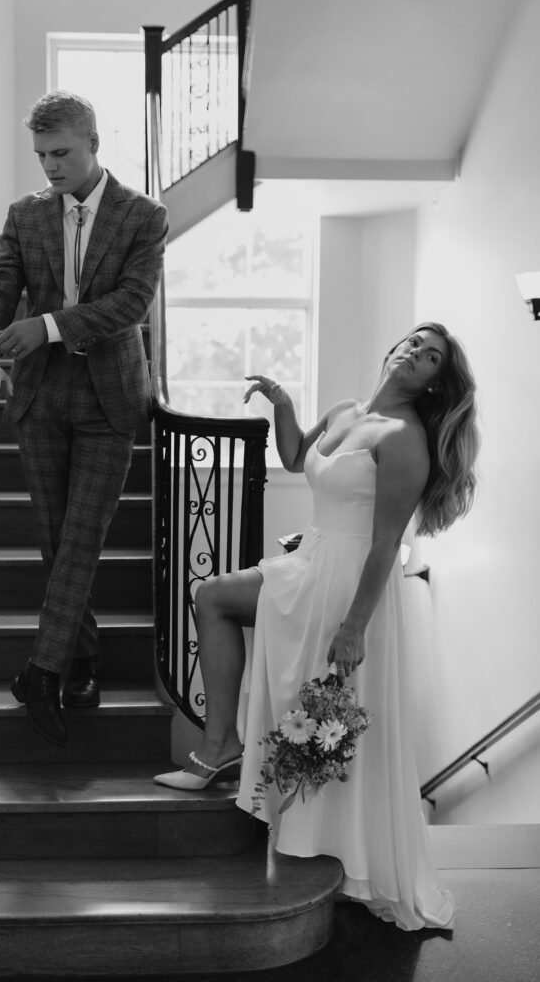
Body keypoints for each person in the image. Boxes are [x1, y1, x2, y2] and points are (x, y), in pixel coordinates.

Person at [154, 322, 479, 930]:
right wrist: (285, 407)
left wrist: (356, 625)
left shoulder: (404, 438)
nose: (414, 354)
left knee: (244, 627)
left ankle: (252, 775)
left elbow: (386, 545)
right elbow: (298, 457)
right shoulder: (347, 410)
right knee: (216, 600)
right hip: (311, 558)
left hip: (350, 580)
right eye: (413, 342)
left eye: (431, 356)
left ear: (436, 382)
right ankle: (221, 745)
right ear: (393, 349)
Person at [0, 90, 168, 746]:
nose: (50, 167)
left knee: (83, 536)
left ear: (93, 143)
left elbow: (132, 303)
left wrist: (47, 326)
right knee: (56, 539)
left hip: (109, 398)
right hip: (41, 400)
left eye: (62, 153)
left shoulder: (143, 215)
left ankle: (43, 666)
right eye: (42, 156)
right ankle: (80, 658)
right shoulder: (26, 214)